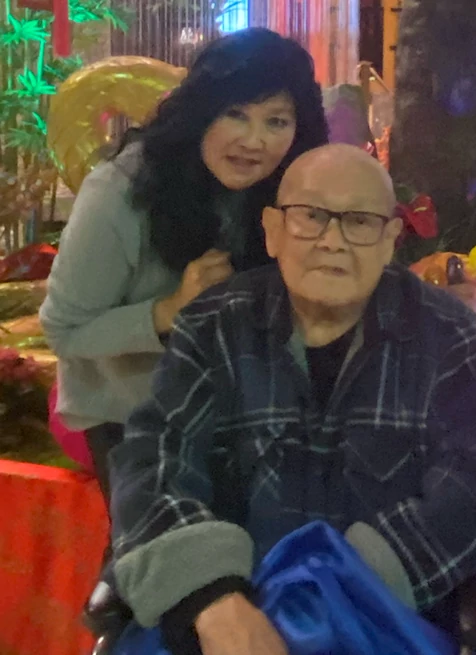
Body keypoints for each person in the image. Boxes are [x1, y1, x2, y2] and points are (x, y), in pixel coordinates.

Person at [109, 144, 476, 655]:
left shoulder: (447, 332)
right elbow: (153, 459)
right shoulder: (214, 324)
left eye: (360, 221)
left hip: (383, 617)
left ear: (391, 240)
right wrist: (213, 599)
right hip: (231, 617)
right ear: (272, 230)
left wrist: (342, 588)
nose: (333, 241)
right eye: (311, 216)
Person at [39, 26, 328, 643]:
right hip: (128, 407)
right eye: (235, 114)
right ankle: (124, 603)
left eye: (277, 121)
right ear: (201, 109)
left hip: (235, 397)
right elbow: (63, 328)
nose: (255, 140)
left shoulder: (283, 189)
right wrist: (167, 311)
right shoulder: (122, 190)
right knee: (177, 547)